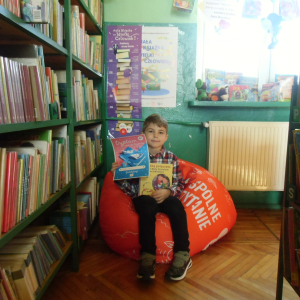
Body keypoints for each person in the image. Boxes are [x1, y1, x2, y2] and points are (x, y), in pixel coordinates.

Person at [111, 114, 191, 281]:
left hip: (164, 197)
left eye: (160, 132)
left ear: (166, 137)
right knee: (147, 206)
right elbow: (130, 188)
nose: (156, 136)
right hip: (144, 198)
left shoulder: (171, 158)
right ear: (143, 134)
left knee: (176, 206)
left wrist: (169, 191)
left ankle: (183, 255)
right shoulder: (133, 157)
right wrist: (119, 175)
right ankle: (148, 257)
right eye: (151, 131)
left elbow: (179, 183)